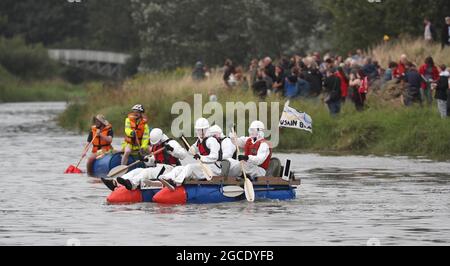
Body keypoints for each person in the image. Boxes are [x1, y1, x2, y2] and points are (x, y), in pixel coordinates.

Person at [111, 128, 188, 191]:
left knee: (147, 171)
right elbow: (153, 161)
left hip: (170, 169)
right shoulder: (155, 146)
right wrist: (146, 160)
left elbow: (183, 155)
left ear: (161, 138)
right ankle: (118, 182)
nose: (155, 145)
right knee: (138, 170)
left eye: (156, 143)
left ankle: (132, 184)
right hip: (159, 168)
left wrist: (172, 150)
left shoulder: (171, 143)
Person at [161, 118, 222, 186]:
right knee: (179, 168)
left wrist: (200, 157)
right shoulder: (199, 141)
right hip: (204, 167)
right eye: (199, 130)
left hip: (214, 169)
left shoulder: (211, 140)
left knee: (190, 167)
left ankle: (177, 182)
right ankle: (166, 178)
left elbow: (214, 157)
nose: (201, 132)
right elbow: (191, 151)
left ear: (207, 129)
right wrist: (184, 140)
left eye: (203, 130)